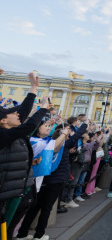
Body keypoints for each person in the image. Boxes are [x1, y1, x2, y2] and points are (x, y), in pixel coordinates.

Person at [0, 73, 51, 239]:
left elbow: (23, 112)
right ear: (3, 120)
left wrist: (33, 88)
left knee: (8, 230)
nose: (18, 115)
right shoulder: (3, 134)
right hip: (6, 192)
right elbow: (28, 124)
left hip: (17, 189)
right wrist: (42, 109)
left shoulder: (12, 132)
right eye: (12, 113)